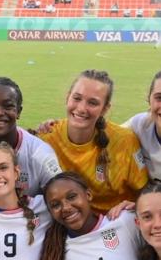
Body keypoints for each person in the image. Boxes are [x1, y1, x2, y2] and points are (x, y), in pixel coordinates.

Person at [39, 70, 148, 214]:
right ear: (67, 98)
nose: (82, 108)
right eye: (77, 98)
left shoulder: (125, 141)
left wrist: (135, 205)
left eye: (93, 103)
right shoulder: (47, 138)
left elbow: (145, 192)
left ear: (105, 109)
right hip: (68, 223)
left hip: (114, 224)